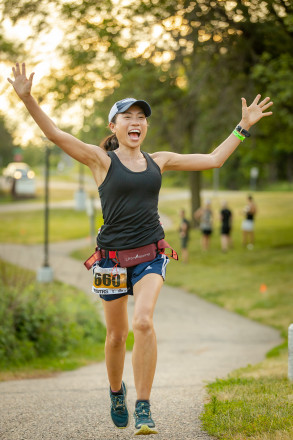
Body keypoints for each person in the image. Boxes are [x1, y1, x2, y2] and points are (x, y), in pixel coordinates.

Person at [7, 62, 273, 436]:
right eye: (127, 117)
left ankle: (144, 406)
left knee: (143, 321)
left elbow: (213, 159)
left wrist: (243, 126)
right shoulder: (100, 161)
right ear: (113, 127)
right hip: (112, 262)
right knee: (116, 336)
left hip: (150, 255)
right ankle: (117, 392)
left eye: (141, 118)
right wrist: (27, 98)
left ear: (146, 127)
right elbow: (55, 134)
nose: (136, 122)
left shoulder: (158, 161)